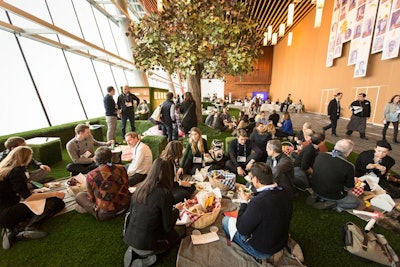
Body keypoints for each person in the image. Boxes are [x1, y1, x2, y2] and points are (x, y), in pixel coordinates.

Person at [222, 162, 293, 263]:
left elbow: (242, 229)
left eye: (251, 178)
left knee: (225, 221)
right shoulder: (286, 190)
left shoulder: (258, 203)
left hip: (263, 250)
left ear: (255, 179)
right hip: (281, 240)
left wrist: (244, 201)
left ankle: (260, 256)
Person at [123, 158, 185, 267]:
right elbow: (167, 227)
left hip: (130, 238)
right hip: (150, 244)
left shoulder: (139, 188)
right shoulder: (165, 194)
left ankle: (134, 251)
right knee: (181, 230)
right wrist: (177, 210)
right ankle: (154, 257)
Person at [0, 146, 65, 250]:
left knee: (45, 202)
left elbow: (18, 192)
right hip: (8, 213)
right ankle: (30, 226)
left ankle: (14, 228)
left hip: (7, 210)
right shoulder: (16, 172)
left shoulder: (5, 169)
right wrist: (55, 193)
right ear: (25, 158)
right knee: (57, 202)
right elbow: (28, 198)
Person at [75, 146, 130, 220]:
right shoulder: (122, 168)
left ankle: (89, 209)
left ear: (96, 159)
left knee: (80, 196)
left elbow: (91, 197)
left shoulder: (91, 175)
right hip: (126, 206)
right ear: (111, 157)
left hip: (106, 213)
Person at [311, 139, 362, 212]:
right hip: (333, 194)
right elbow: (348, 187)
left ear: (335, 146)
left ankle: (319, 197)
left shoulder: (321, 155)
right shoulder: (349, 166)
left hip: (315, 188)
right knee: (356, 202)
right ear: (348, 153)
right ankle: (336, 206)